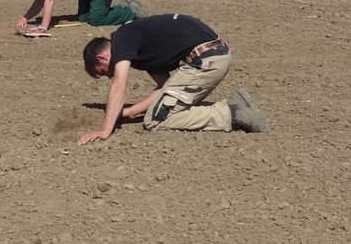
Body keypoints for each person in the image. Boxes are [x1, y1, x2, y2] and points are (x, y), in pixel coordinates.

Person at [79, 12, 268, 145]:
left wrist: (104, 130)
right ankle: (231, 110)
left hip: (205, 60)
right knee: (159, 109)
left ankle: (231, 112)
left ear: (101, 57)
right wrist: (131, 111)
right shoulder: (140, 47)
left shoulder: (121, 39)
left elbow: (119, 84)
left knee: (155, 119)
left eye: (104, 71)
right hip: (212, 56)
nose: (109, 75)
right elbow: (164, 86)